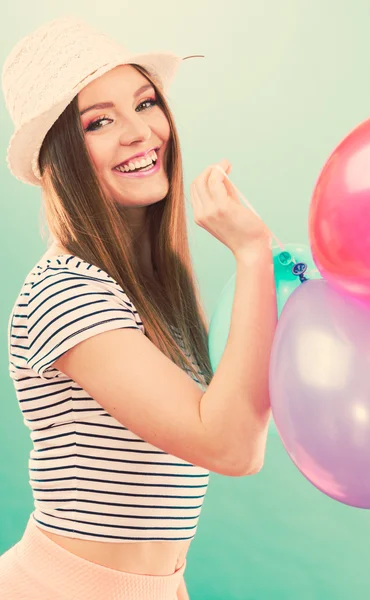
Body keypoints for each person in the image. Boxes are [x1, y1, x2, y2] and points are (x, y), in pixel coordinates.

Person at [0, 15, 277, 600]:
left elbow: (159, 504)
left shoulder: (152, 289)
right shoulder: (65, 292)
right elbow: (230, 446)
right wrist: (254, 254)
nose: (138, 132)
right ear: (61, 159)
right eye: (98, 122)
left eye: (145, 104)